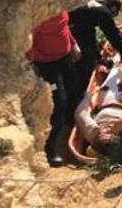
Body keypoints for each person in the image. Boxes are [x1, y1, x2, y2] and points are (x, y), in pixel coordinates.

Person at [26, 11, 81, 167]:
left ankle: (72, 128)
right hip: (47, 65)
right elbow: (27, 42)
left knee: (74, 90)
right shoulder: (41, 15)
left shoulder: (59, 7)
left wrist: (73, 43)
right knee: (58, 103)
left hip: (65, 57)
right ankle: (50, 149)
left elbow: (64, 27)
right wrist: (34, 62)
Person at [68, 0, 122, 98]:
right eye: (115, 13)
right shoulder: (103, 13)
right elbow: (113, 35)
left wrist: (98, 57)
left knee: (88, 54)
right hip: (71, 34)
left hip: (73, 30)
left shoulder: (93, 5)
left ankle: (75, 90)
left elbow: (88, 33)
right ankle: (79, 94)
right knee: (86, 64)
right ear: (114, 8)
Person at [73, 66, 122, 155]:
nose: (106, 129)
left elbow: (80, 113)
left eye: (103, 133)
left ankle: (114, 66)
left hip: (108, 101)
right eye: (109, 133)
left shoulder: (93, 133)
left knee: (116, 72)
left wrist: (88, 97)